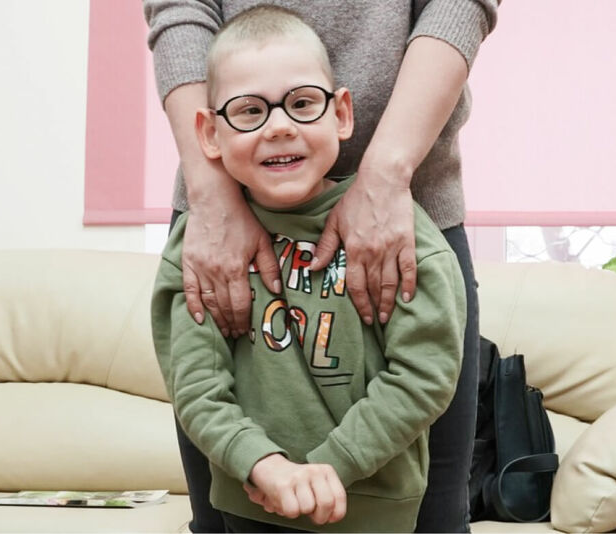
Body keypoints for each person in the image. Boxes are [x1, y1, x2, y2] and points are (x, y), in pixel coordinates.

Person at [144, 1, 498, 532]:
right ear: (211, 132)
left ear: (341, 112)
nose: (279, 127)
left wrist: (329, 468)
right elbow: (197, 386)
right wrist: (261, 465)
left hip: (381, 510)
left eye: (302, 104)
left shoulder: (418, 247)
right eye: (250, 111)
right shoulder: (192, 252)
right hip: (246, 504)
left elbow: (422, 375)